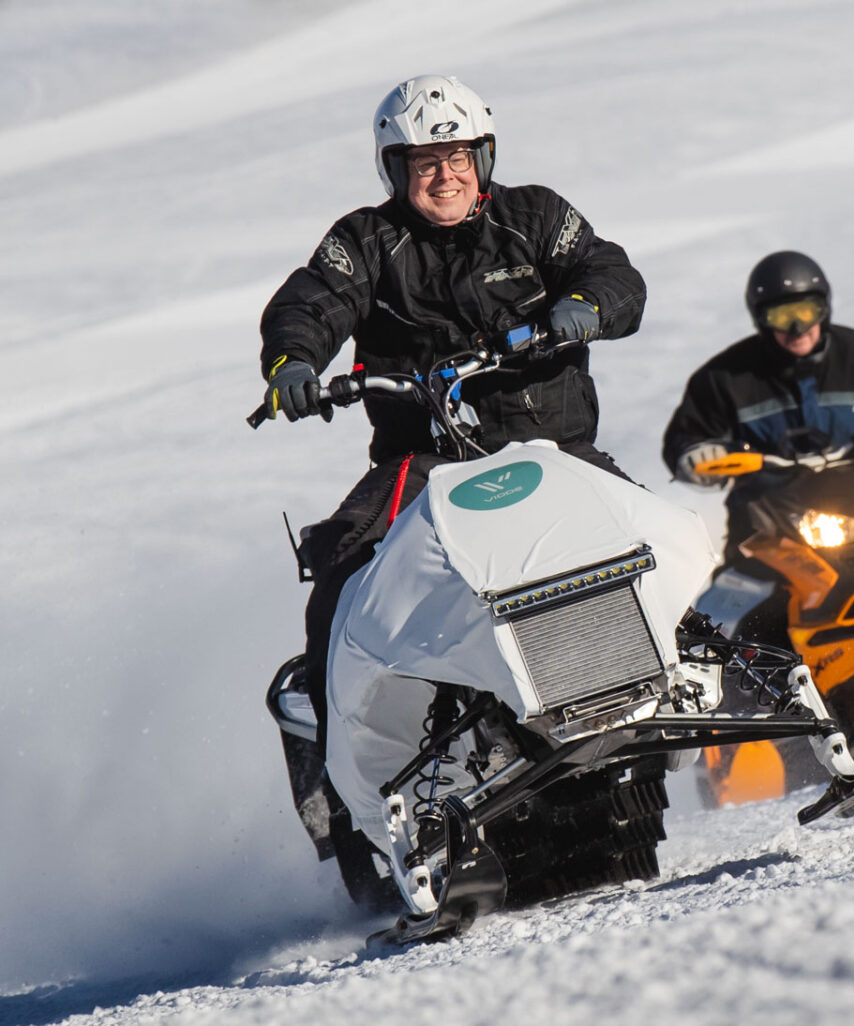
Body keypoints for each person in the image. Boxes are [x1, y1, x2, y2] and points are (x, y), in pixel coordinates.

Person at [258, 75, 646, 893]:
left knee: (645, 529)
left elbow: (612, 272)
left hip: (549, 443)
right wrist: (294, 360)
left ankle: (721, 670)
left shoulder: (535, 215)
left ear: (485, 156)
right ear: (395, 169)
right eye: (425, 160)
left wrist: (585, 305)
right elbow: (311, 300)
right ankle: (340, 782)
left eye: (459, 156)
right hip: (424, 460)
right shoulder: (365, 240)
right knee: (339, 575)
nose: (445, 174)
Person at [660, 250, 854, 557]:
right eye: (782, 316)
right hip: (767, 518)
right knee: (737, 596)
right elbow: (683, 441)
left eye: (806, 311)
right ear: (760, 318)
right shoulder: (723, 378)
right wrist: (697, 456)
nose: (797, 328)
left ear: (824, 309)